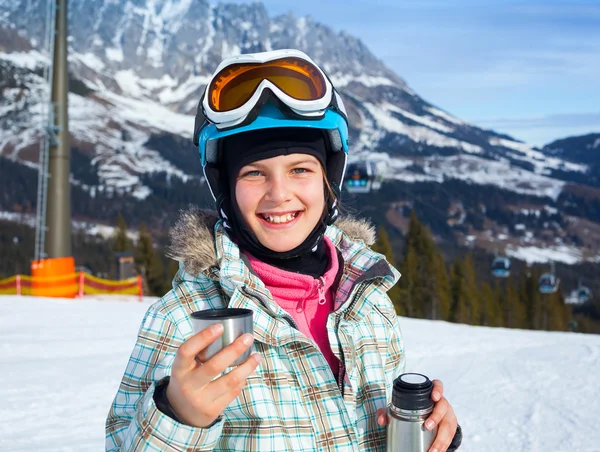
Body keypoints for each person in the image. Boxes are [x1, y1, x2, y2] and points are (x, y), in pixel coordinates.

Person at [105, 49, 461, 451]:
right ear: (226, 191)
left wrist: (426, 431)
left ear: (329, 181)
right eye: (254, 172)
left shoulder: (368, 301)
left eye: (300, 169)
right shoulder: (184, 319)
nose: (279, 193)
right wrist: (179, 416)